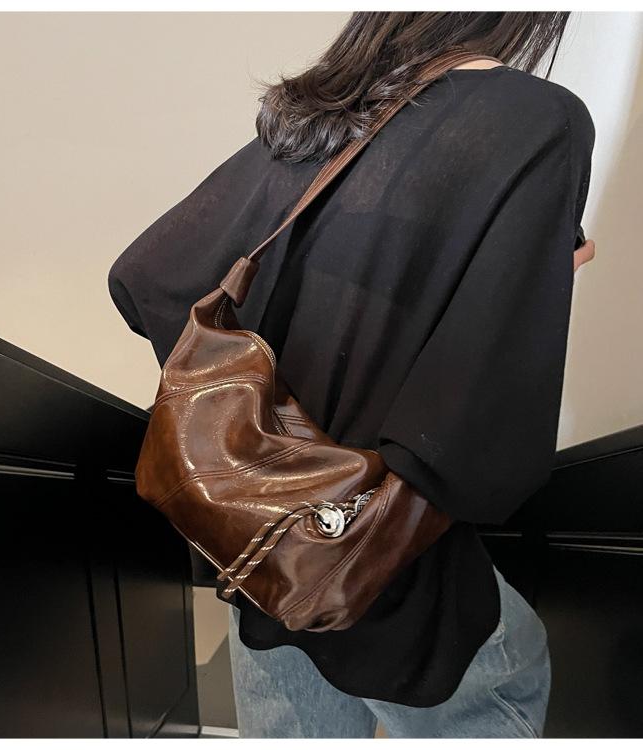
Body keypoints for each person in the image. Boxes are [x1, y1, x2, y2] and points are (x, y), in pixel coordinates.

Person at [107, 11, 596, 739]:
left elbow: (147, 275)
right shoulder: (538, 118)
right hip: (388, 576)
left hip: (264, 559)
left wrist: (267, 432)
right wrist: (534, 284)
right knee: (511, 669)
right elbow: (479, 432)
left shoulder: (322, 110)